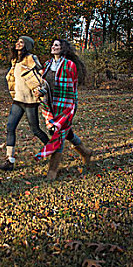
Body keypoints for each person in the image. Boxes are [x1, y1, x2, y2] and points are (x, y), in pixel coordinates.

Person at [35, 38, 93, 180]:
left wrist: (67, 105)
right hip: (51, 105)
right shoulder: (47, 65)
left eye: (56, 45)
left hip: (66, 104)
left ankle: (52, 171)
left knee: (58, 133)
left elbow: (71, 88)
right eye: (53, 44)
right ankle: (85, 152)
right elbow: (44, 84)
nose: (53, 47)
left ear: (63, 48)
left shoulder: (70, 65)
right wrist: (40, 91)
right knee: (67, 133)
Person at [0, 36, 50, 171]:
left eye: (21, 42)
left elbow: (42, 75)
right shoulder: (15, 61)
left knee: (35, 130)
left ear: (26, 45)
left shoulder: (32, 58)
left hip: (30, 101)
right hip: (18, 100)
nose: (18, 43)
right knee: (10, 127)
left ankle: (53, 148)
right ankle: (10, 160)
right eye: (17, 41)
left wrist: (42, 90)